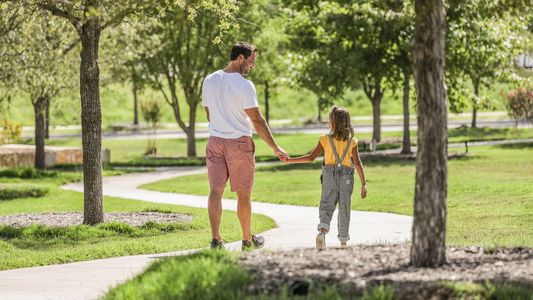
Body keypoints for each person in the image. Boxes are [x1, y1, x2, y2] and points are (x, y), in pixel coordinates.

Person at [202, 41, 288, 251]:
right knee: (243, 194)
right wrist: (275, 147)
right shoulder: (244, 85)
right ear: (240, 58)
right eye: (251, 61)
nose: (252, 66)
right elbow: (257, 120)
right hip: (238, 143)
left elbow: (208, 112)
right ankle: (247, 241)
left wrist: (220, 126)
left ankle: (216, 240)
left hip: (214, 141)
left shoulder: (209, 79)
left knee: (215, 190)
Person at [285, 106, 367, 249]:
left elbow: (311, 157)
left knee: (326, 205)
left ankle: (322, 233)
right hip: (347, 177)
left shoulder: (325, 139)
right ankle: (343, 241)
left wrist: (289, 160)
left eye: (329, 120)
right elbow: (358, 163)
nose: (328, 122)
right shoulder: (352, 141)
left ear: (333, 122)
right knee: (344, 207)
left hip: (329, 175)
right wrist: (363, 183)